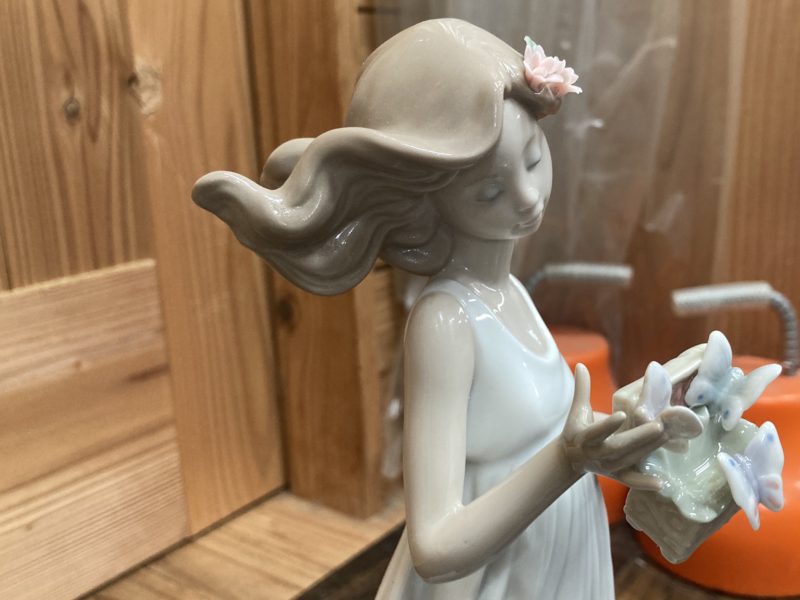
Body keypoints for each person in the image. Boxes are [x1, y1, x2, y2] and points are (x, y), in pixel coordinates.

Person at [193, 18, 688, 600]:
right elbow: (434, 546)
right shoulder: (446, 323)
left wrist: (623, 437)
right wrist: (568, 461)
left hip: (558, 555)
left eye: (533, 159)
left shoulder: (510, 291)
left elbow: (541, 434)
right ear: (428, 203)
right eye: (488, 191)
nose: (527, 197)